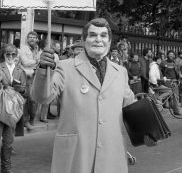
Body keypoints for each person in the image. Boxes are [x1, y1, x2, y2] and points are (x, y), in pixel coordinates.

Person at [31, 18, 156, 173]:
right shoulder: (65, 67)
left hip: (111, 156)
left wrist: (147, 131)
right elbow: (42, 97)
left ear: (109, 42)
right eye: (92, 35)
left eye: (103, 36)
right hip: (76, 156)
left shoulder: (120, 72)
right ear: (84, 40)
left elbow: (131, 106)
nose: (98, 39)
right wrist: (43, 69)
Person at [0, 44, 27, 173]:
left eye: (13, 54)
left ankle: (6, 167)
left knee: (9, 141)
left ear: (16, 56)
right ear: (3, 54)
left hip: (13, 110)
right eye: (8, 54)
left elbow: (25, 90)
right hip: (0, 106)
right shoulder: (0, 67)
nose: (10, 56)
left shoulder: (20, 71)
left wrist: (19, 88)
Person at [19, 31, 40, 130]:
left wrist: (37, 62)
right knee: (27, 99)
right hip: (25, 76)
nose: (32, 39)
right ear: (27, 39)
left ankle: (31, 118)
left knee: (34, 99)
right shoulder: (23, 48)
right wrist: (36, 61)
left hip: (35, 75)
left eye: (34, 37)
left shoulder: (36, 49)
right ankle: (26, 121)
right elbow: (25, 62)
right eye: (30, 37)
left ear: (36, 39)